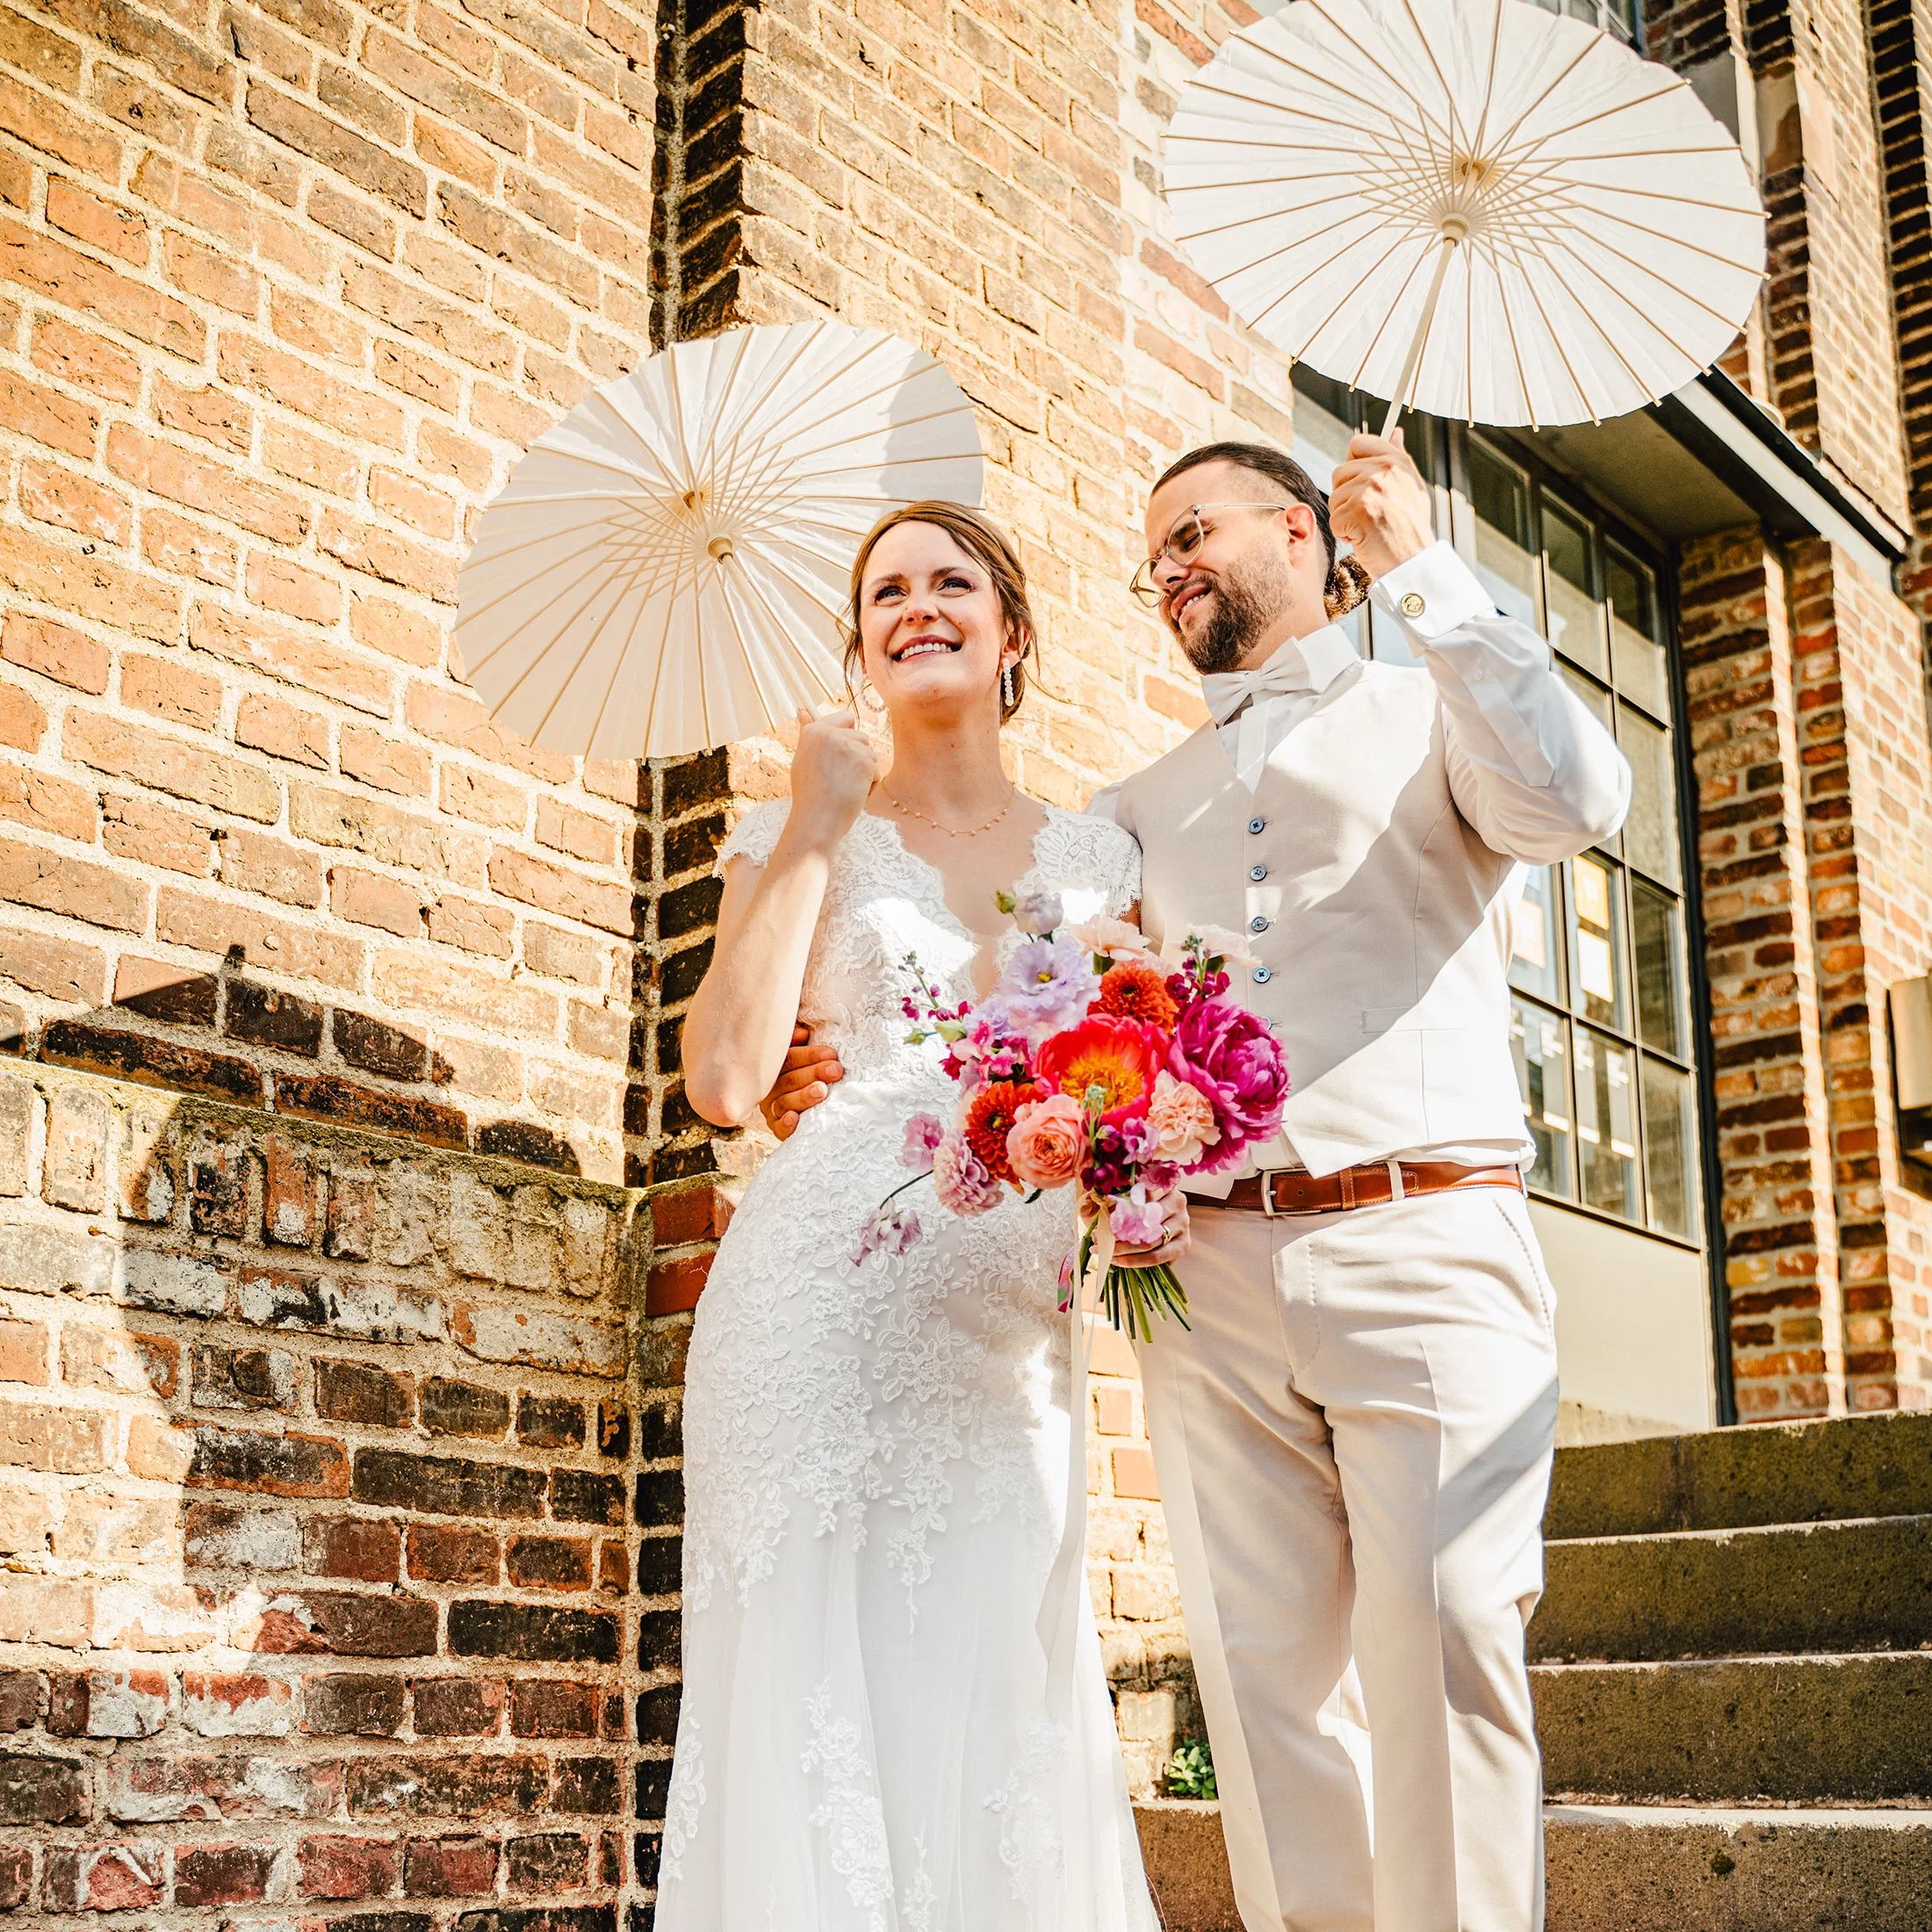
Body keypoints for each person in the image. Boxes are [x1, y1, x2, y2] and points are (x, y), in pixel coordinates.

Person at [763, 432, 1632, 1932]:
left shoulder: (1441, 702)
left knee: (1447, 1640)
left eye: (1194, 532)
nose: (1167, 567)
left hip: (1424, 1227)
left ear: (1301, 533)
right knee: (1263, 1685)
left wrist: (1421, 565)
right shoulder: (1131, 810)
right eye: (1152, 553)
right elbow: (1027, 1012)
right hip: (1210, 1275)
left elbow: (1575, 804)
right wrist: (827, 1064)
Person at [658, 500, 1172, 1932]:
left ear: (1013, 634)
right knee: (816, 1693)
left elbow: (1145, 1077)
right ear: (861, 645)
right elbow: (724, 1080)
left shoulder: (1106, 855)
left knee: (999, 1695)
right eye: (885, 592)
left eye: (951, 582)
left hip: (1009, 1346)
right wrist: (818, 821)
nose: (917, 607)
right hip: (815, 1317)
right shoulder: (793, 829)